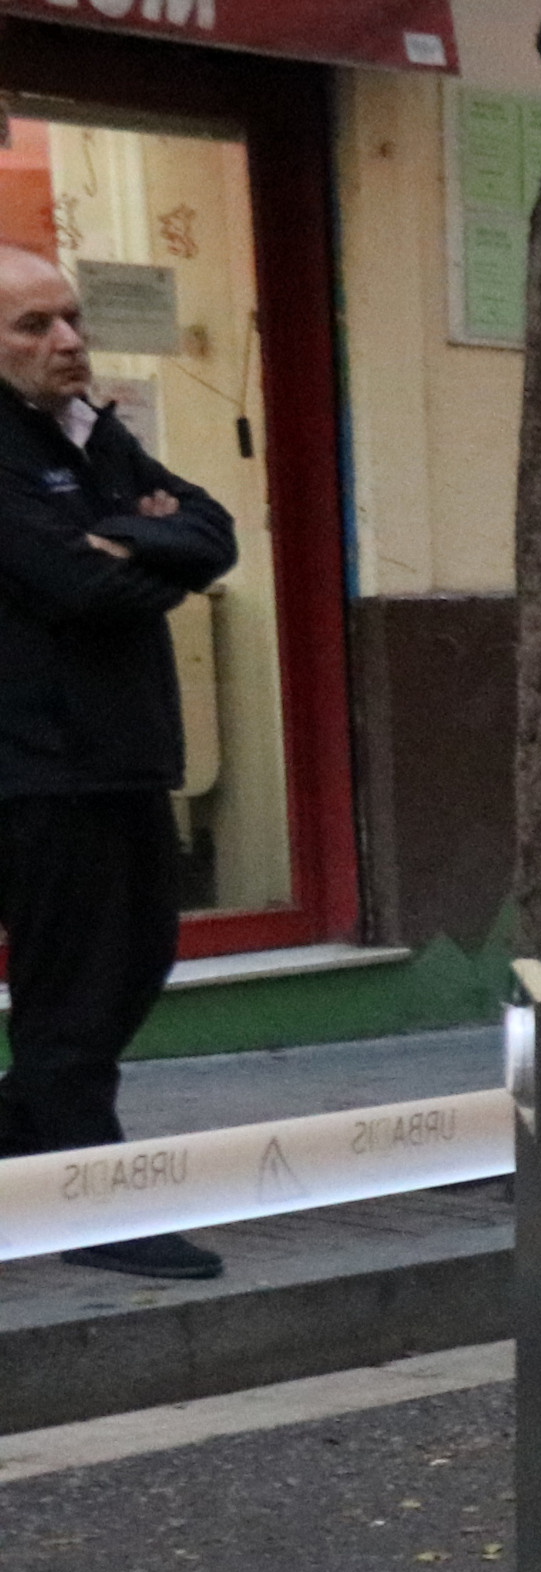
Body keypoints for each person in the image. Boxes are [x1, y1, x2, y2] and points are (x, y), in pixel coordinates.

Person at [0, 243, 239, 1278]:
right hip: (41, 765)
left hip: (129, 755)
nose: (67, 342)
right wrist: (143, 553)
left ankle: (24, 1138)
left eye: (71, 319)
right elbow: (71, 586)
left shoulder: (93, 431)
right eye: (34, 326)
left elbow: (215, 529)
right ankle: (93, 1207)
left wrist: (130, 544)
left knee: (140, 963)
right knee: (75, 992)